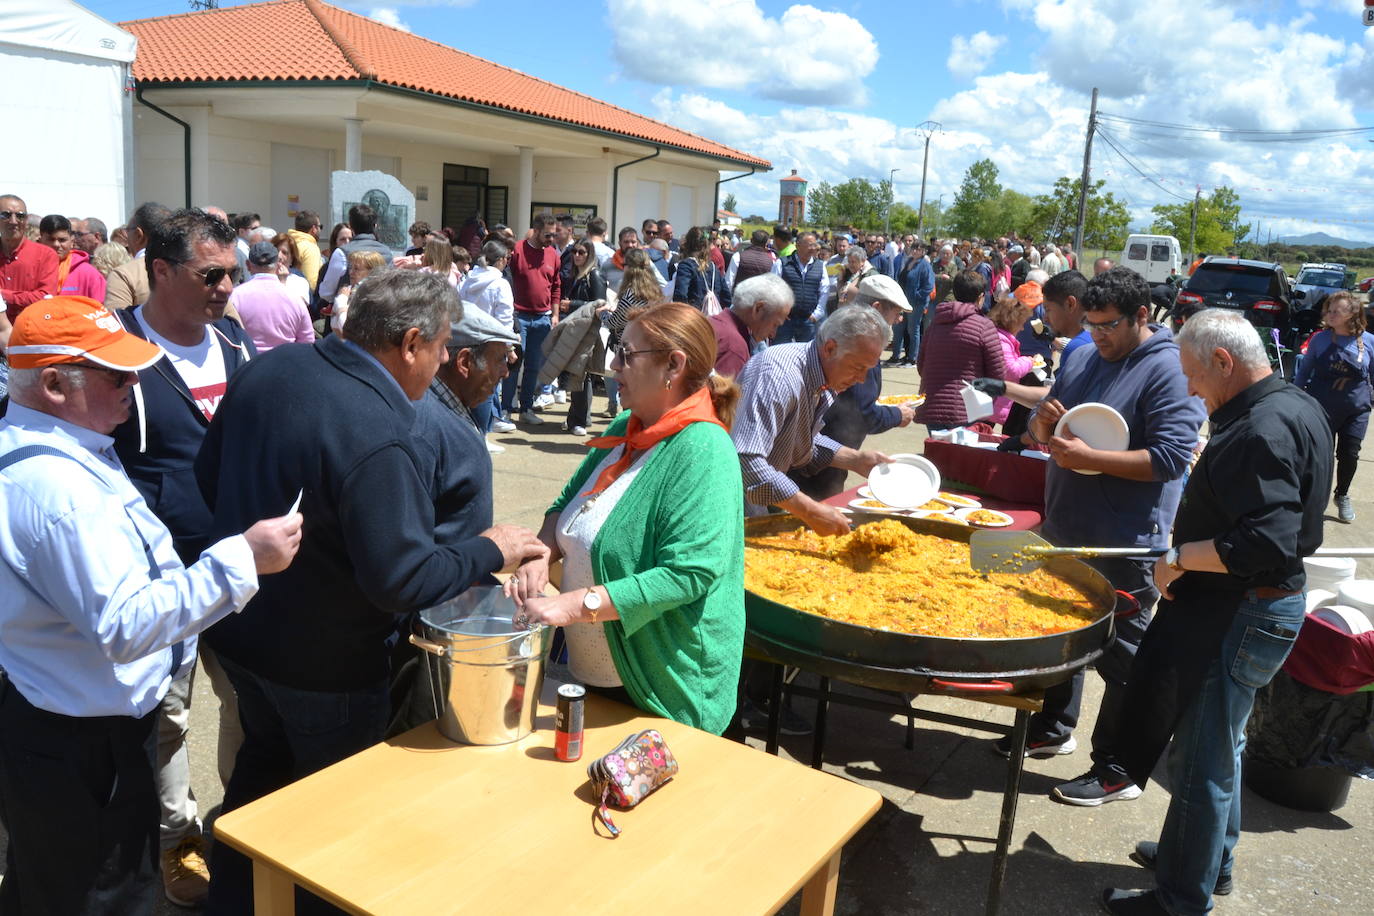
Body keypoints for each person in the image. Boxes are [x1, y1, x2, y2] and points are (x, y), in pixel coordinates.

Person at [196, 270, 546, 914]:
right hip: (325, 667)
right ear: (410, 343)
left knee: (262, 781)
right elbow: (401, 580)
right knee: (341, 821)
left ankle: (235, 901)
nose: (445, 362)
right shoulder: (381, 430)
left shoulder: (270, 370)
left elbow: (209, 476)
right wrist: (491, 549)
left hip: (242, 636)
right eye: (441, 347)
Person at [0, 296, 300, 916]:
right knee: (104, 892)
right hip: (82, 741)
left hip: (57, 720)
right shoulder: (61, 490)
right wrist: (244, 559)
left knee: (50, 880)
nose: (133, 385)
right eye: (116, 374)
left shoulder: (53, 446)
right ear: (54, 383)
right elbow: (126, 623)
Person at [1103, 309, 1333, 916]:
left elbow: (1265, 541)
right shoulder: (1294, 402)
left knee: (1201, 758)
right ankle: (1207, 860)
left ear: (1224, 362)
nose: (1189, 389)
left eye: (1193, 375)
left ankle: (1181, 898)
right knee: (1220, 744)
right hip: (1261, 607)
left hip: (1246, 612)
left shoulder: (1260, 428)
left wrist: (1178, 556)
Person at [1013, 267, 1206, 808]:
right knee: (1060, 632)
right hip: (1066, 525)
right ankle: (1054, 726)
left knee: (1125, 658)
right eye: (1092, 324)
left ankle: (1117, 769)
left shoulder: (1167, 369)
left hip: (1124, 540)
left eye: (1108, 325)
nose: (1097, 336)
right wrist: (1042, 429)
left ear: (1142, 315)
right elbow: (1039, 433)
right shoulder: (1079, 354)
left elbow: (1170, 459)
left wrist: (1088, 458)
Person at [110, 209, 260, 904]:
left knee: (247, 701)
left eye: (233, 272)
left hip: (236, 571)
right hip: (157, 583)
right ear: (160, 271)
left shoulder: (235, 345)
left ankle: (242, 828)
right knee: (167, 719)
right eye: (212, 274)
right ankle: (180, 839)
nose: (227, 287)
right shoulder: (116, 354)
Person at [507, 304, 745, 734]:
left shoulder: (704, 450)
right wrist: (541, 553)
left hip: (659, 682)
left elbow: (687, 574)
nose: (613, 364)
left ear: (673, 364)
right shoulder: (628, 425)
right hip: (596, 673)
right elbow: (565, 502)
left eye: (626, 354)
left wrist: (571, 605)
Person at [731, 305, 894, 536]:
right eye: (858, 367)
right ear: (829, 348)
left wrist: (855, 459)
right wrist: (810, 511)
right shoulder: (778, 375)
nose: (861, 379)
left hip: (750, 499)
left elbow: (797, 439)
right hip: (728, 505)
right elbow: (745, 460)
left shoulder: (819, 376)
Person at [791, 274, 916, 501]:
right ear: (877, 307)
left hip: (826, 452)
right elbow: (862, 414)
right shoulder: (858, 346)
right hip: (820, 461)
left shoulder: (851, 336)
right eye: (896, 313)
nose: (899, 320)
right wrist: (897, 414)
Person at [1295, 290, 1374, 523]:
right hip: (1320, 408)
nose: (1330, 315)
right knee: (1320, 456)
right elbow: (1304, 372)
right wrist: (1293, 396)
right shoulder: (1319, 339)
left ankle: (1342, 495)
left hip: (1355, 409)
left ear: (1352, 314)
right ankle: (1314, 499)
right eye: (1328, 310)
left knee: (1349, 453)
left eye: (1336, 311)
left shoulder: (1369, 342)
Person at [915, 269, 1005, 430]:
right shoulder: (984, 326)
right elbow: (997, 373)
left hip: (934, 405)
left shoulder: (936, 323)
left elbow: (921, 364)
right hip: (968, 409)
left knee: (938, 452)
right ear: (980, 298)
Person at [503, 216, 562, 424]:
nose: (552, 238)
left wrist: (554, 314)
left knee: (534, 366)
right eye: (548, 234)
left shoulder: (553, 254)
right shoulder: (517, 250)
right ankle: (506, 409)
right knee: (514, 363)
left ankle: (526, 408)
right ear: (536, 231)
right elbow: (506, 280)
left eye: (554, 234)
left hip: (543, 319)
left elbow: (556, 286)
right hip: (519, 317)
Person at [459, 240, 515, 439]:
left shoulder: (466, 280)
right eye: (507, 258)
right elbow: (505, 320)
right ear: (500, 260)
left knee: (468, 388)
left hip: (465, 341)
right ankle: (482, 435)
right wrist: (508, 349)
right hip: (491, 343)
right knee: (488, 389)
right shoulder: (501, 284)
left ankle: (472, 434)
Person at [556, 239, 609, 436]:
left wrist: (572, 304)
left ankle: (578, 420)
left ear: (590, 255)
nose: (577, 255)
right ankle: (577, 418)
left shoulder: (594, 274)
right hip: (577, 330)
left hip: (588, 331)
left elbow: (600, 305)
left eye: (582, 252)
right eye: (575, 252)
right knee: (578, 374)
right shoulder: (578, 275)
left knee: (581, 375)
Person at [228, 240, 314, 353]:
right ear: (279, 263)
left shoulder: (234, 297)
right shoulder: (295, 299)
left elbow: (227, 336)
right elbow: (307, 342)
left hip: (248, 366)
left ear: (248, 265)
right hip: (285, 365)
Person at [710, 273, 792, 378]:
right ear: (758, 309)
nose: (773, 334)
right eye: (775, 324)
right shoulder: (735, 348)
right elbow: (724, 393)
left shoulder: (715, 322)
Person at [1, 194, 59, 321]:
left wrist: (4, 296)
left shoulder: (46, 255)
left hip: (30, 331)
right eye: (6, 215)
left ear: (26, 220)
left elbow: (45, 297)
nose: (14, 221)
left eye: (20, 216)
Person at [318, 204, 391, 305]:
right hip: (380, 312)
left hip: (349, 312)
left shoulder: (342, 252)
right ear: (375, 226)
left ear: (351, 227)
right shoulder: (387, 252)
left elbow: (326, 292)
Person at [105, 202, 172, 311]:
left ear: (138, 234)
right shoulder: (191, 268)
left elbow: (117, 324)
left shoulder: (124, 275)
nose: (126, 236)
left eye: (127, 230)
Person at [774, 231, 829, 344]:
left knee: (806, 356)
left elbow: (824, 291)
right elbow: (772, 288)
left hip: (808, 320)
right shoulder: (782, 263)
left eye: (815, 245)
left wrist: (816, 315)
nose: (813, 248)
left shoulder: (820, 266)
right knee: (780, 353)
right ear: (798, 245)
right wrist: (779, 312)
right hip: (785, 320)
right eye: (810, 245)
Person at [38, 213, 106, 301]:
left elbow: (102, 309)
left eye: (62, 240)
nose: (56, 244)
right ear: (40, 241)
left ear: (72, 242)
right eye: (51, 239)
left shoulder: (88, 274)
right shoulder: (30, 270)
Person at [892, 239, 934, 366]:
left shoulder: (925, 265)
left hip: (916, 303)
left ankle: (912, 358)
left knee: (913, 330)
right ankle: (895, 356)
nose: (915, 251)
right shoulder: (909, 261)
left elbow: (929, 285)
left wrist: (917, 296)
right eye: (914, 248)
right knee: (898, 327)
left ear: (923, 251)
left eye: (919, 249)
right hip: (903, 301)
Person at [329, 249, 387, 336]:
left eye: (356, 269)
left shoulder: (372, 297)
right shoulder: (350, 291)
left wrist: (341, 302)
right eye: (350, 268)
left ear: (372, 272)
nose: (351, 272)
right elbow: (335, 326)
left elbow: (346, 328)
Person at [1043, 269, 1093, 363]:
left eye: (1047, 309)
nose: (1045, 318)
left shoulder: (1077, 349)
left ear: (1070, 304)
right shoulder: (1094, 340)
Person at [672, 226, 727, 313]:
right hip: (714, 319)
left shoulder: (686, 265)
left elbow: (680, 296)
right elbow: (726, 296)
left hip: (695, 319)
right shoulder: (713, 266)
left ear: (687, 243)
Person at [287, 210, 323, 290]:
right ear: (314, 229)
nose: (320, 230)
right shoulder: (310, 248)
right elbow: (311, 283)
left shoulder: (287, 244)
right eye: (320, 226)